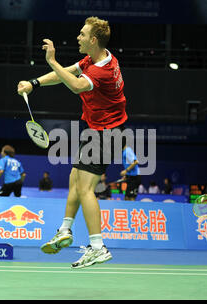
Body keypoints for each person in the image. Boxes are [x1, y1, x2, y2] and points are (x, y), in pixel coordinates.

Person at [17, 17, 127, 269]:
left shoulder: (102, 70)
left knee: (87, 188)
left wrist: (52, 60)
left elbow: (76, 86)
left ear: (93, 40)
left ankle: (98, 247)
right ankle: (65, 229)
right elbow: (67, 74)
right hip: (97, 129)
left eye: (81, 34)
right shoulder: (96, 59)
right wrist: (34, 83)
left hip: (107, 133)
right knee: (75, 178)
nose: (77, 37)